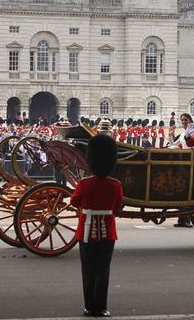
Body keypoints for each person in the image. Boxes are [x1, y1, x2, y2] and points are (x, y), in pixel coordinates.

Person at [70, 134, 123, 318]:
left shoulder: (84, 184)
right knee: (103, 271)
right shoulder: (116, 185)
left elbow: (74, 201)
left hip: (85, 232)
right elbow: (117, 207)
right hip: (107, 233)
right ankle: (101, 307)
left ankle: (88, 307)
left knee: (88, 270)